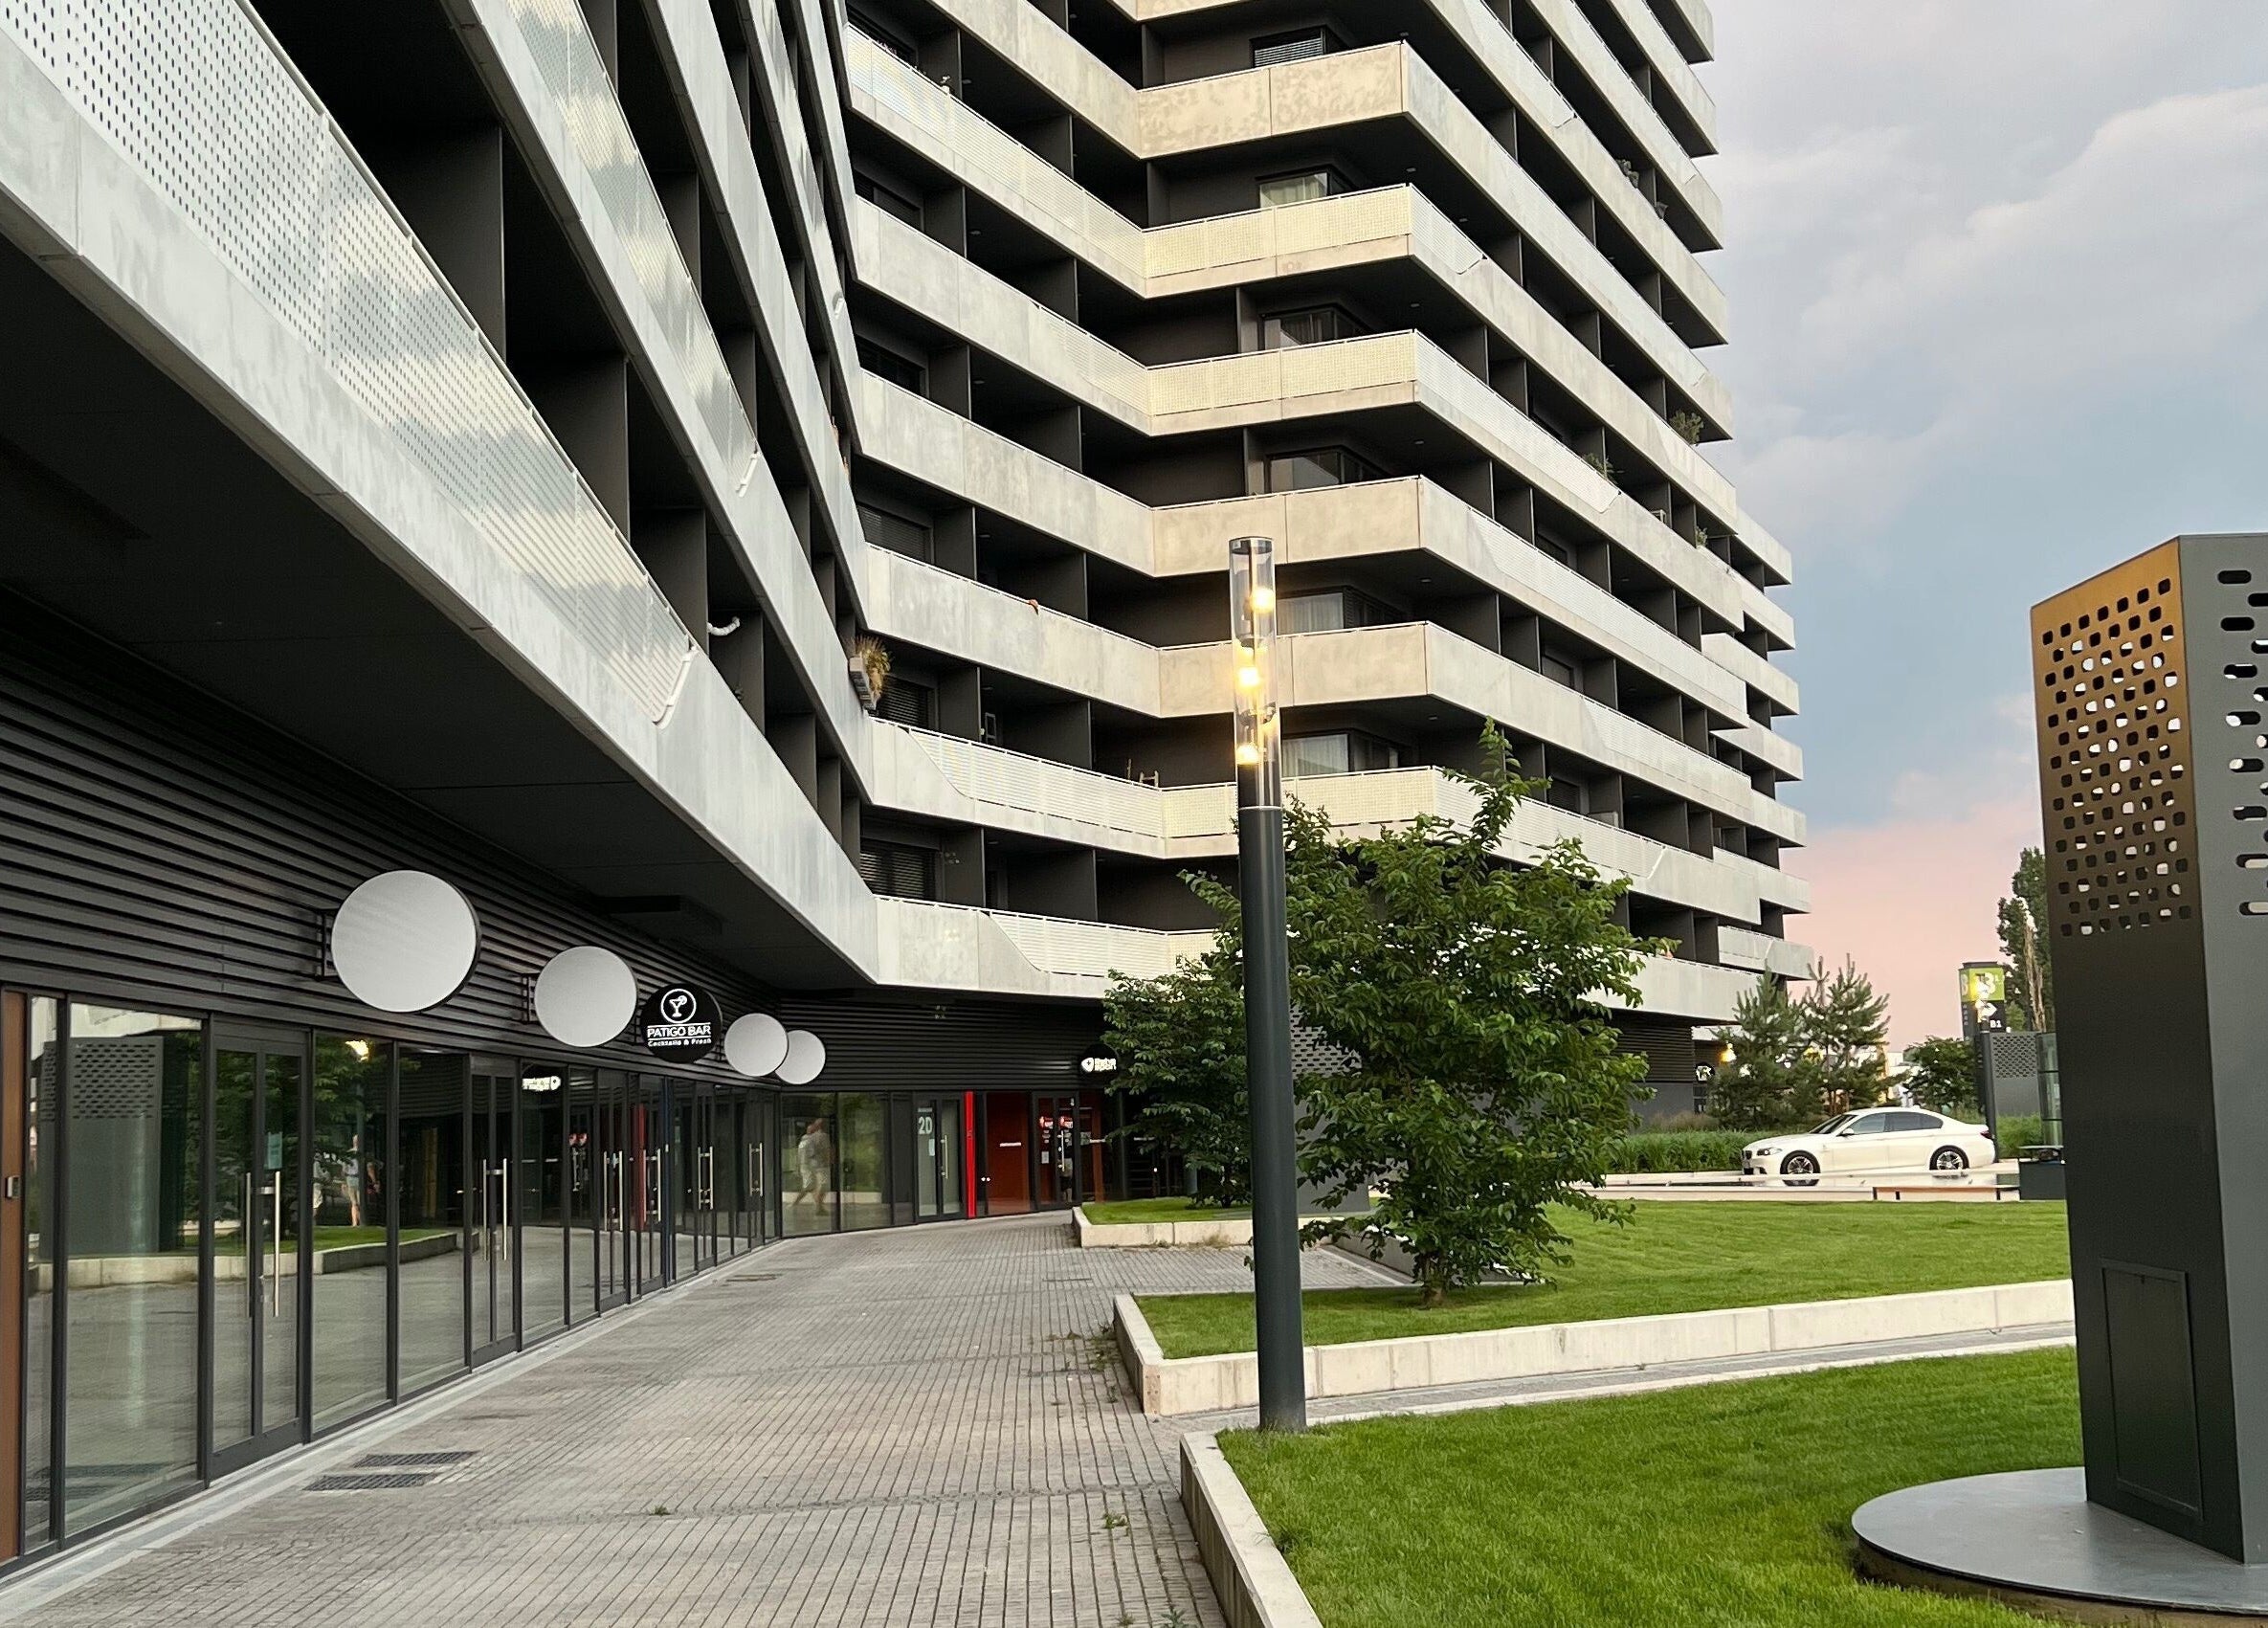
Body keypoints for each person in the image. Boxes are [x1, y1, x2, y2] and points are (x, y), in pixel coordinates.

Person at [793, 1117, 832, 1212]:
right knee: (819, 1186)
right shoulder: (817, 1137)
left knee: (814, 1187)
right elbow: (825, 1152)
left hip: (813, 1166)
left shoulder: (807, 1139)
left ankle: (819, 1207)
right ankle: (818, 1207)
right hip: (818, 1166)